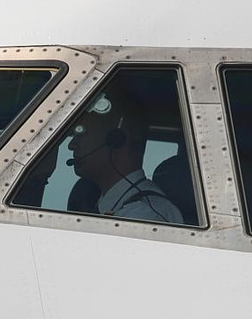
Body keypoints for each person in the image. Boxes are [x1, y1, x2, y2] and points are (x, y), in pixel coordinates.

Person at [67, 92, 183, 224]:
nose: (72, 145)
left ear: (116, 140)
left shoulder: (142, 215)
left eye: (82, 131)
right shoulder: (115, 205)